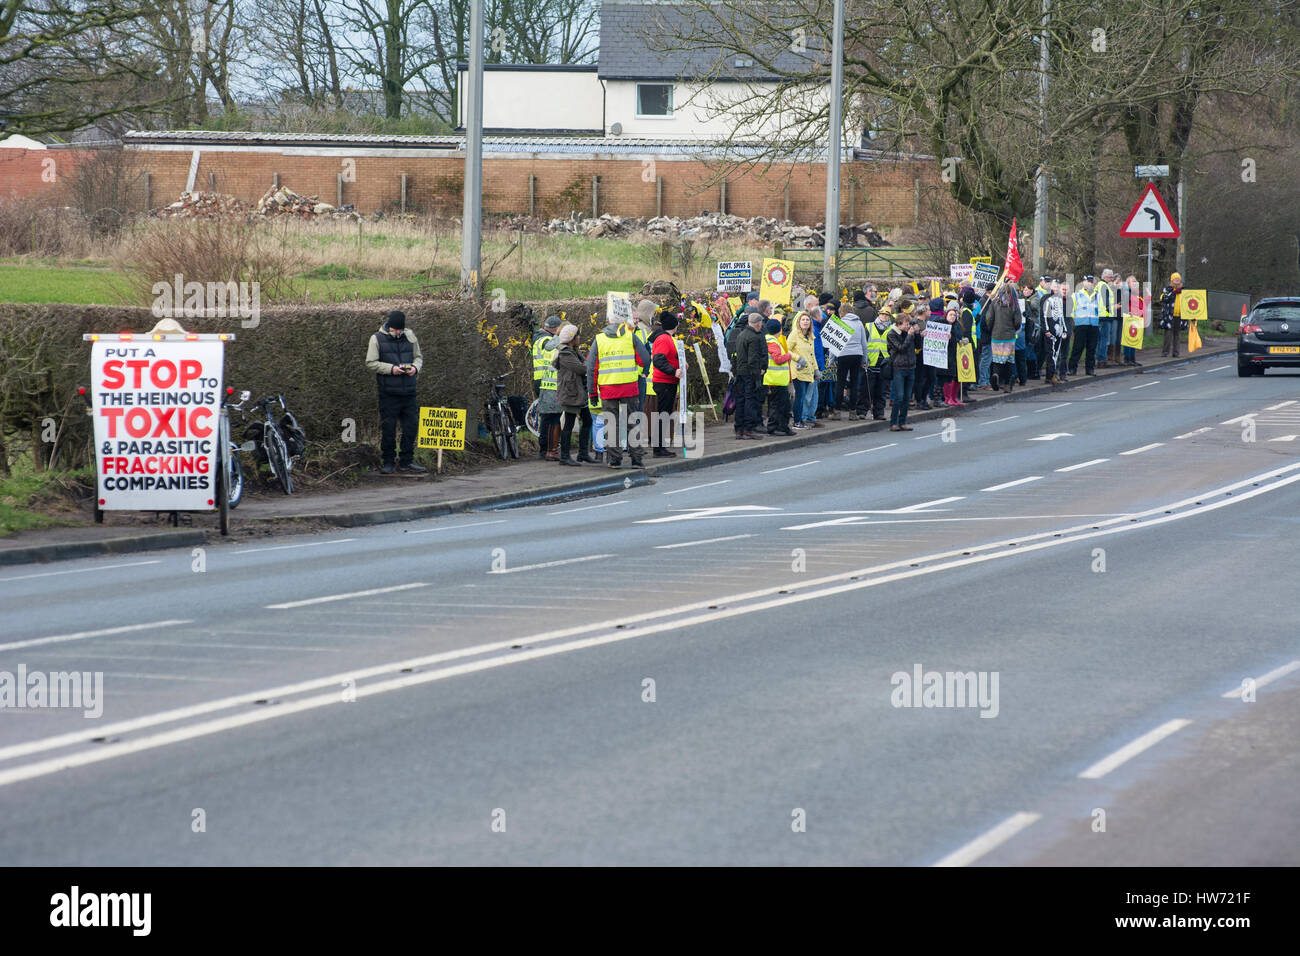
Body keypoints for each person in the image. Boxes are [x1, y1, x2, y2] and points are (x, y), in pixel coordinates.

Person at [587, 303, 651, 468]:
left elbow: (592, 368)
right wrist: (641, 371)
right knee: (633, 422)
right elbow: (644, 358)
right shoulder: (630, 336)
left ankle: (615, 460)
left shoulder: (599, 339)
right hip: (629, 387)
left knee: (611, 424)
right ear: (622, 322)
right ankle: (637, 459)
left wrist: (592, 393)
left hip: (608, 389)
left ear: (608, 322)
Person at [364, 309, 426, 474]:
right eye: (395, 329)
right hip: (388, 393)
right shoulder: (376, 338)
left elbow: (418, 357)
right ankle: (388, 462)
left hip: (409, 391)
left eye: (400, 329)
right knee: (388, 429)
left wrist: (415, 368)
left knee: (411, 427)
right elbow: (371, 362)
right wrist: (392, 369)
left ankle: (407, 461)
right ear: (389, 326)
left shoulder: (410, 336)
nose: (398, 332)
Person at [552, 324, 589, 467]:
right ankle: (565, 456)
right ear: (572, 338)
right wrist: (587, 363)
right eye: (577, 335)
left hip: (576, 392)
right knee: (568, 424)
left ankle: (583, 453)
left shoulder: (573, 351)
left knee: (587, 420)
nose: (579, 337)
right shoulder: (566, 353)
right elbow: (581, 368)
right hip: (570, 393)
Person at [649, 310, 682, 456]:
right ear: (674, 326)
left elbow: (668, 358)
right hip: (664, 382)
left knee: (664, 413)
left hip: (667, 381)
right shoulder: (664, 339)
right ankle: (659, 448)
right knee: (663, 414)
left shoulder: (665, 338)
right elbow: (658, 360)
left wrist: (680, 365)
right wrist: (673, 371)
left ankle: (660, 446)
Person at [732, 311, 768, 439]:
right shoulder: (754, 337)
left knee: (741, 400)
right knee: (750, 401)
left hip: (741, 372)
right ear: (758, 324)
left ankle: (739, 429)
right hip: (750, 373)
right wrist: (758, 373)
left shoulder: (741, 335)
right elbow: (753, 359)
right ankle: (748, 429)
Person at [832, 308, 868, 420]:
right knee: (854, 384)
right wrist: (864, 360)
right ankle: (853, 412)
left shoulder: (840, 323)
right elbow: (864, 343)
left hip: (843, 354)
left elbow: (834, 342)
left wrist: (831, 360)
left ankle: (837, 412)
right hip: (857, 354)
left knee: (840, 383)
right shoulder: (859, 323)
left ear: (842, 312)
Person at [987, 283, 1022, 392]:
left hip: (996, 336)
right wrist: (1013, 328)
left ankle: (996, 374)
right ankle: (1007, 384)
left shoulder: (994, 304)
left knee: (997, 360)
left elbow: (989, 319)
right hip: (1009, 336)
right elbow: (1018, 321)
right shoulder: (1014, 304)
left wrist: (992, 329)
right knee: (1009, 361)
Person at [788, 310, 819, 429]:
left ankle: (801, 420)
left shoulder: (811, 335)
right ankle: (797, 421)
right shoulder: (794, 334)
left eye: (807, 320)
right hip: (798, 370)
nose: (805, 322)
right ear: (798, 322)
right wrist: (798, 358)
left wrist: (816, 370)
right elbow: (787, 349)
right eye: (803, 320)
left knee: (804, 397)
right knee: (800, 397)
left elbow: (812, 355)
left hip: (808, 371)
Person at [886, 310, 917, 431]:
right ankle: (893, 423)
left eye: (908, 324)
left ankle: (902, 421)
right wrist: (909, 335)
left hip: (910, 367)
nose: (907, 326)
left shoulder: (908, 333)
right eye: (905, 324)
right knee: (899, 396)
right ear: (899, 324)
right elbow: (901, 348)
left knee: (907, 397)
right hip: (899, 368)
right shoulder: (892, 334)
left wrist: (918, 334)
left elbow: (917, 346)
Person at [763, 318, 794, 435]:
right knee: (782, 406)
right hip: (776, 380)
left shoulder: (768, 340)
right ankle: (777, 427)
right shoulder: (773, 342)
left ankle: (778, 427)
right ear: (779, 330)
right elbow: (778, 359)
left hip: (774, 379)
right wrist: (788, 356)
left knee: (776, 405)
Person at [1068, 275, 1101, 376]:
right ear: (1083, 282)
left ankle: (1090, 369)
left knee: (1091, 348)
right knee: (1078, 347)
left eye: (1092, 282)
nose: (1090, 283)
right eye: (1088, 281)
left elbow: (1100, 309)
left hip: (1093, 324)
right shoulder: (1076, 295)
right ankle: (1072, 368)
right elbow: (1070, 310)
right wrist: (1076, 319)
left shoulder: (1097, 295)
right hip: (1081, 324)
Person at [864, 305, 891, 420]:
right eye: (882, 314)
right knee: (866, 389)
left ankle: (879, 412)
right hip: (870, 362)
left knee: (881, 390)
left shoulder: (892, 328)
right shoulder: (869, 327)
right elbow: (863, 343)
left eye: (886, 315)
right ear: (878, 315)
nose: (884, 317)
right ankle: (862, 411)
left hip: (884, 363)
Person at [1040, 278, 1067, 385]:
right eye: (1055, 286)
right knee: (1050, 354)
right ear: (1051, 287)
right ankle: (1051, 375)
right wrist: (1046, 329)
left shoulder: (1059, 299)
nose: (1057, 288)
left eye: (1058, 287)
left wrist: (1064, 329)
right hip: (1050, 330)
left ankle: (1052, 375)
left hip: (1059, 330)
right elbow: (1044, 316)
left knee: (1056, 353)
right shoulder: (1047, 299)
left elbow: (1061, 316)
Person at [938, 305, 964, 406]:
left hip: (956, 354)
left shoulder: (957, 326)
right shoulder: (942, 325)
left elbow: (958, 337)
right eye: (951, 315)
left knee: (956, 376)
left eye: (954, 315)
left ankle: (953, 397)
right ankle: (947, 398)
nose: (953, 317)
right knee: (947, 377)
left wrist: (961, 341)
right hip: (946, 355)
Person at [1094, 268, 1117, 368]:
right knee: (1104, 339)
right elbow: (1106, 302)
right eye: (1110, 277)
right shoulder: (1104, 286)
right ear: (1105, 277)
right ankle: (1102, 360)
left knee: (1099, 339)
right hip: (1104, 316)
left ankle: (1099, 359)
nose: (1111, 279)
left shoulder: (1100, 285)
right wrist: (1110, 309)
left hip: (1100, 316)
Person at [1159, 271, 1183, 357]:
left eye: (1178, 279)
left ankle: (1176, 353)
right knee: (1168, 335)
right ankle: (1165, 352)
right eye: (1175, 279)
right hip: (1169, 315)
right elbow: (1163, 299)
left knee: (1177, 335)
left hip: (1179, 316)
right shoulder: (1167, 289)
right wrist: (1173, 293)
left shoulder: (1184, 290)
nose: (1177, 281)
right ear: (1172, 281)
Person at [1122, 275, 1144, 366]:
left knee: (1134, 339)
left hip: (1137, 317)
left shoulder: (1136, 293)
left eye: (1136, 282)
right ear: (1128, 283)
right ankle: (1127, 359)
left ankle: (1132, 358)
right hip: (1129, 317)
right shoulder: (1126, 292)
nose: (1135, 283)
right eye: (1133, 282)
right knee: (1128, 339)